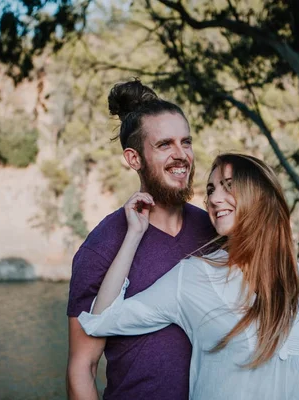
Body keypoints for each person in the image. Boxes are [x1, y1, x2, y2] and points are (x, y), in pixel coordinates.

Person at [78, 153, 299, 399]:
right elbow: (101, 320)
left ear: (261, 197)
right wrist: (134, 234)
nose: (214, 199)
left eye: (228, 187)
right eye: (211, 190)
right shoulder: (194, 276)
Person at [66, 79, 216, 400]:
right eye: (164, 145)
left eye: (186, 142)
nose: (181, 155)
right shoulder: (102, 245)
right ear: (134, 159)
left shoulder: (213, 231)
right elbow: (83, 367)